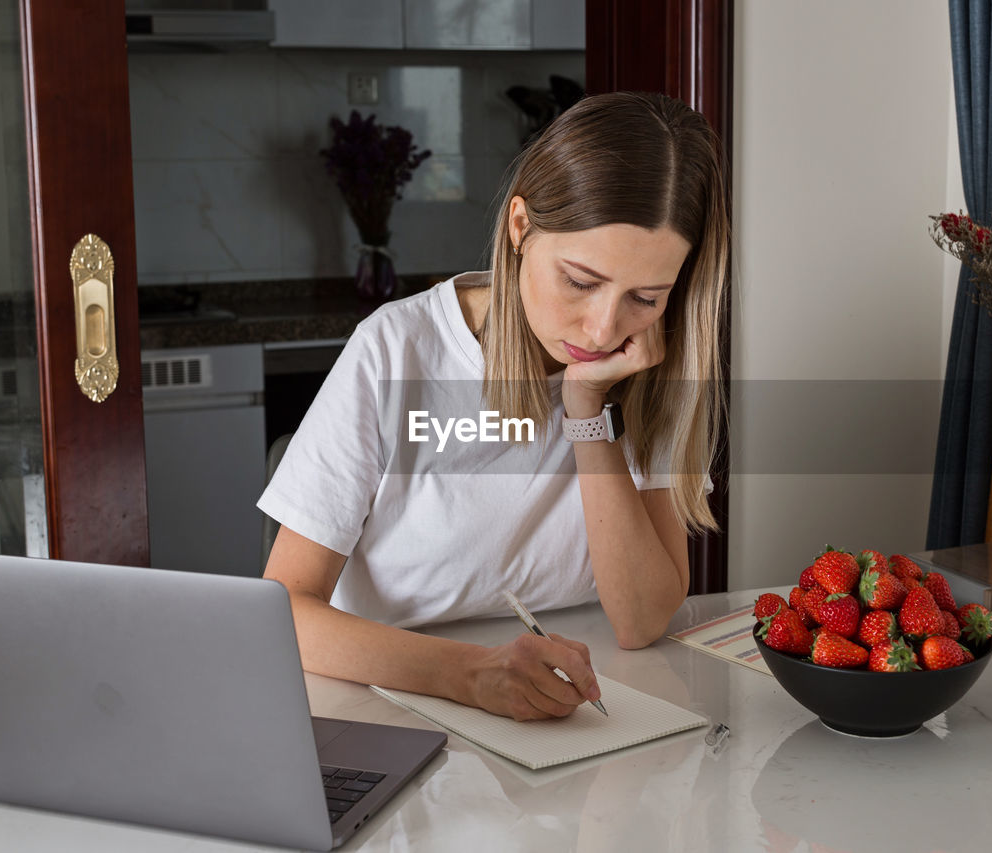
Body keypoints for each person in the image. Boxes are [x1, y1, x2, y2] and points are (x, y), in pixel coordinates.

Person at [260, 91, 730, 722]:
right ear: (520, 227)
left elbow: (642, 621)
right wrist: (470, 674)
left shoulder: (648, 362)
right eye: (581, 282)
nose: (600, 330)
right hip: (387, 703)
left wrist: (587, 408)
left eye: (645, 297)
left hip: (583, 705)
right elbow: (284, 610)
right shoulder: (396, 349)